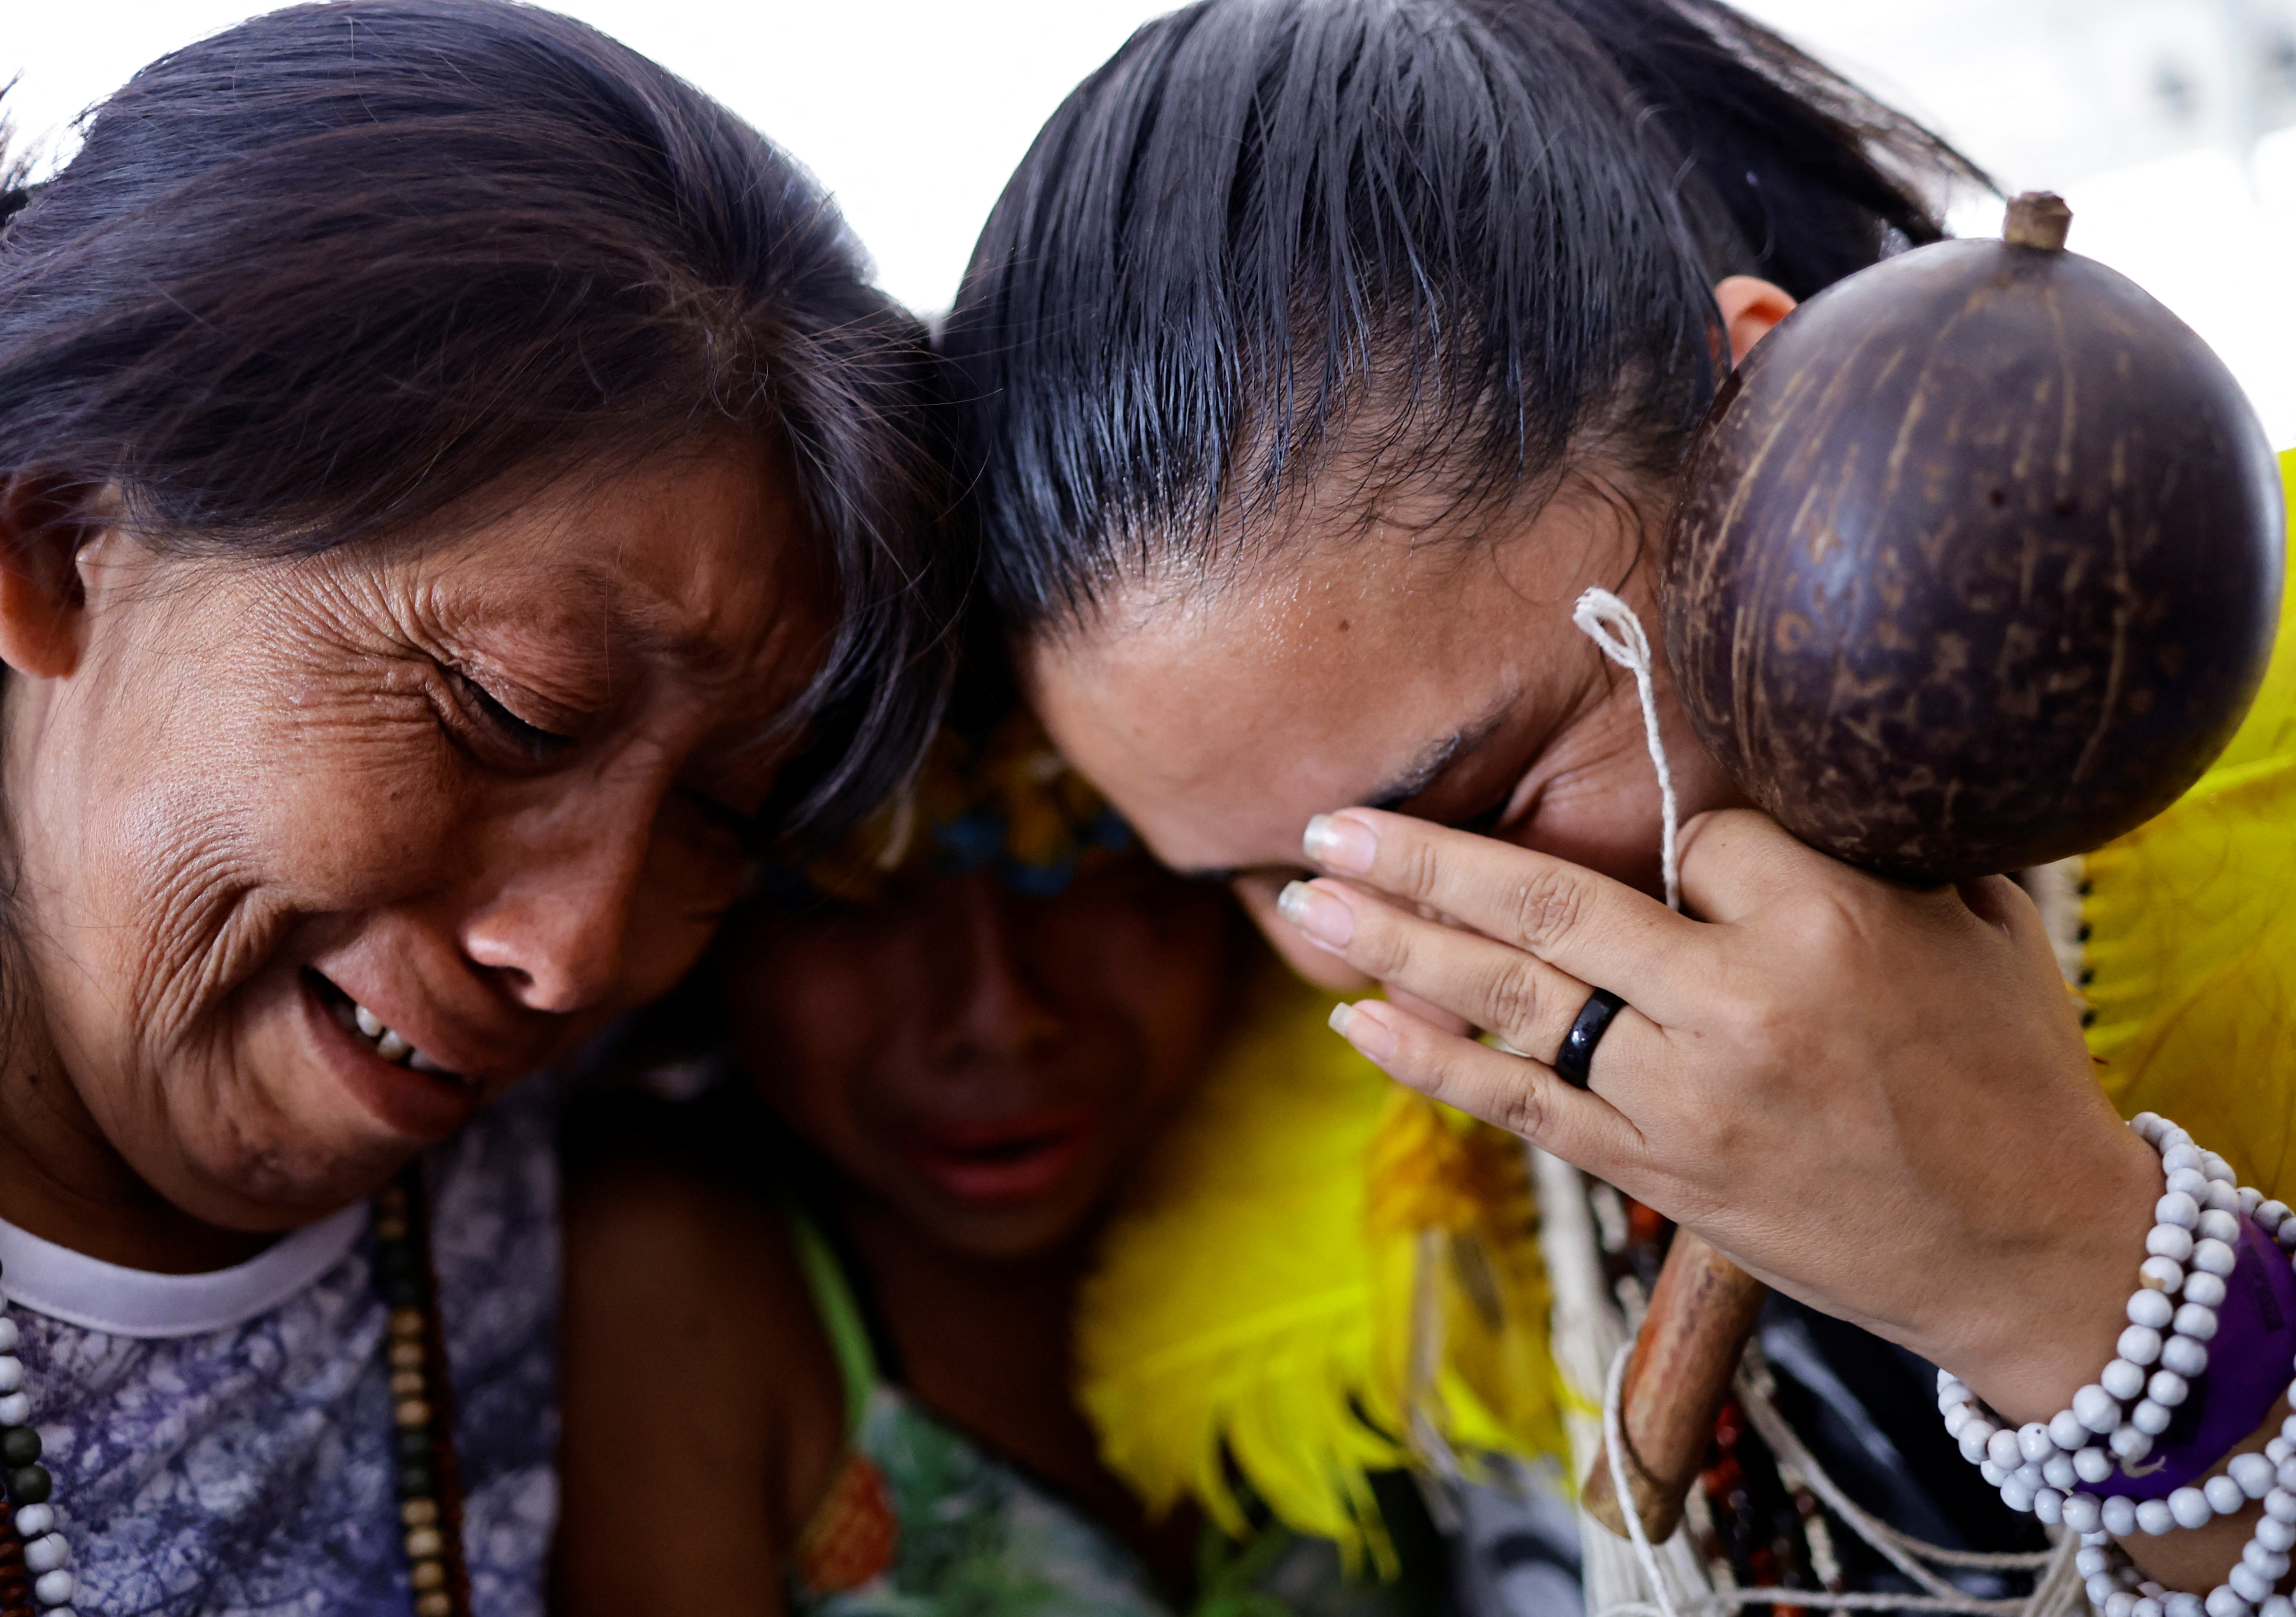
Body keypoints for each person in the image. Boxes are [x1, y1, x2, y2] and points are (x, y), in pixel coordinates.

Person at [941, 0, 2296, 1609]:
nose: (1415, 943)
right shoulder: (1375, 1197)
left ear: (1769, 418)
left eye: (1483, 797)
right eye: (1271, 881)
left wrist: (2057, 1272)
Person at [0, 4, 953, 1613]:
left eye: (723, 818)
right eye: (507, 713)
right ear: (59, 537)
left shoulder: (600, 1190)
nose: (579, 955)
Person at [556, 680, 1577, 1616]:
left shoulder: (1406, 1118)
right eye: (851, 897)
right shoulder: (672, 1278)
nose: (1001, 1016)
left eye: (1089, 871)